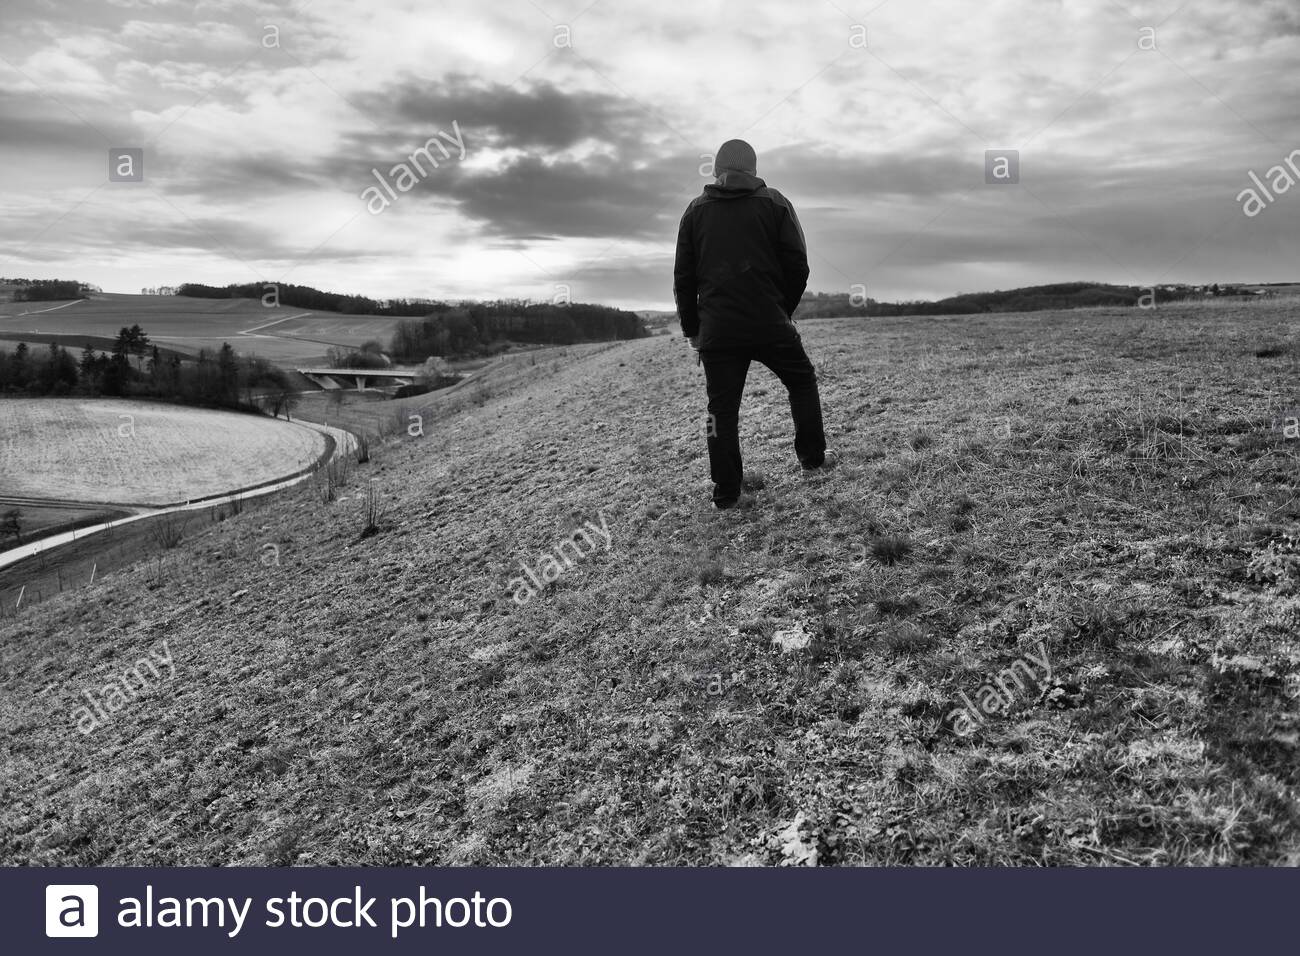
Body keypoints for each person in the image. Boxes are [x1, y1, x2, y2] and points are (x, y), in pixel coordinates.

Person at [673, 138, 828, 509]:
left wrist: (695, 332)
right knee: (802, 381)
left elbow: (683, 279)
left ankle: (726, 493)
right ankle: (812, 459)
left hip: (719, 331)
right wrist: (781, 310)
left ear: (716, 170)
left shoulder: (695, 211)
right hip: (769, 322)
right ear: (754, 170)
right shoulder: (775, 203)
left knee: (719, 412)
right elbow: (798, 265)